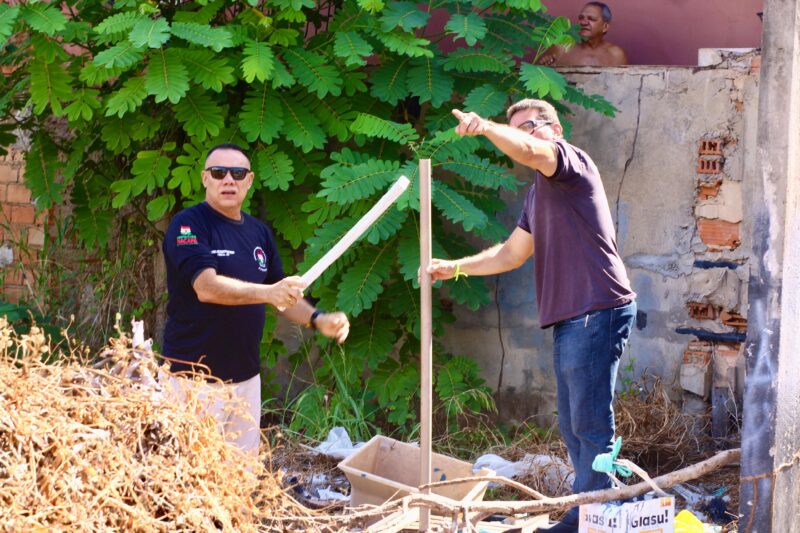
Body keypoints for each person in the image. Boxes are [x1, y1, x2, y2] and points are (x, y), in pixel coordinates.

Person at [427, 102, 636, 533]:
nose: (523, 135)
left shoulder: (569, 162)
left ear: (555, 129)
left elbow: (531, 151)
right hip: (573, 318)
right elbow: (510, 254)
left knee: (589, 420)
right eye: (516, 128)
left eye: (531, 126)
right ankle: (593, 512)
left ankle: (593, 518)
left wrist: (485, 127)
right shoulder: (538, 192)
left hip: (597, 308)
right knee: (574, 423)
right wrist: (457, 267)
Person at [162, 143, 350, 455]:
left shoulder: (258, 233)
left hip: (246, 380)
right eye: (219, 172)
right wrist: (268, 292)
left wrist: (318, 319)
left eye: (237, 173)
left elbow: (283, 296)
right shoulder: (188, 224)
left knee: (241, 477)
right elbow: (206, 287)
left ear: (249, 181)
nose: (228, 180)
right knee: (190, 477)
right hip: (194, 382)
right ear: (204, 178)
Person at [539, 2, 628, 67]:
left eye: (591, 19)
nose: (583, 22)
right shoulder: (560, 48)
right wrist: (546, 66)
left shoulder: (617, 54)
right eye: (581, 18)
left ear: (605, 27)